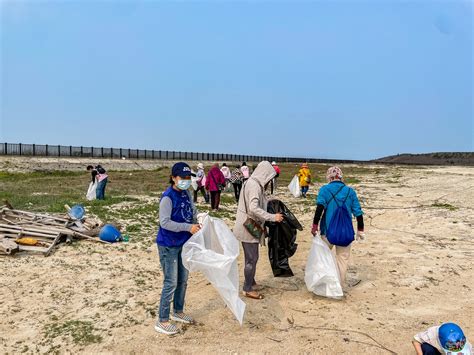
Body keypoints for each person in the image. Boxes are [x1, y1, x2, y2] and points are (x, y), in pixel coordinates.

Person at [155, 162, 201, 335]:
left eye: (189, 178)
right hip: (168, 245)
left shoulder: (187, 193)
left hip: (184, 244)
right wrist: (187, 228)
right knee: (171, 282)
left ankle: (178, 311)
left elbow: (191, 212)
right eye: (183, 178)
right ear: (174, 178)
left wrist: (197, 221)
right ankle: (163, 319)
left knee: (183, 279)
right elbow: (164, 222)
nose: (186, 181)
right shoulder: (168, 196)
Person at [234, 161, 284, 300]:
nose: (269, 181)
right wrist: (273, 217)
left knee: (251, 257)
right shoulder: (255, 185)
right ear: (264, 174)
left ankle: (252, 282)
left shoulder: (252, 182)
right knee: (252, 258)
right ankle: (247, 288)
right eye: (269, 177)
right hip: (247, 227)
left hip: (247, 224)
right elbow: (253, 208)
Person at [311, 166, 364, 287]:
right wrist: (360, 230)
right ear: (341, 176)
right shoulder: (350, 192)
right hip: (345, 233)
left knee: (323, 258)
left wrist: (314, 226)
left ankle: (324, 285)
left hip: (327, 232)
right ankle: (338, 287)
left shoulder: (325, 190)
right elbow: (358, 212)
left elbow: (320, 208)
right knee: (342, 260)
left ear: (329, 177)